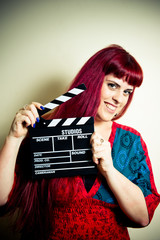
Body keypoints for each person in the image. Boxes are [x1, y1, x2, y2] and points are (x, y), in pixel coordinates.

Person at [0, 44, 160, 240]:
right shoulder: (47, 131)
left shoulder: (131, 141)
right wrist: (13, 139)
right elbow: (3, 199)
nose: (119, 98)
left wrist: (109, 170)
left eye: (127, 91)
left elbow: (143, 218)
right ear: (92, 82)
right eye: (112, 85)